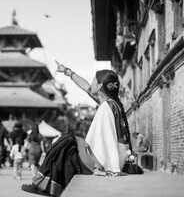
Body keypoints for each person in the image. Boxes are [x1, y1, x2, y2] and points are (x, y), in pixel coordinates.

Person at [22, 62, 133, 197]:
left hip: (101, 162)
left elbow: (114, 141)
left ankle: (43, 186)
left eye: (93, 80)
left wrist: (113, 167)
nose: (90, 83)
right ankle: (46, 186)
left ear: (99, 86)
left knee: (65, 143)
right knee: (67, 145)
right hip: (106, 161)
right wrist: (68, 72)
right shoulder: (110, 103)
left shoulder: (107, 107)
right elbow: (85, 86)